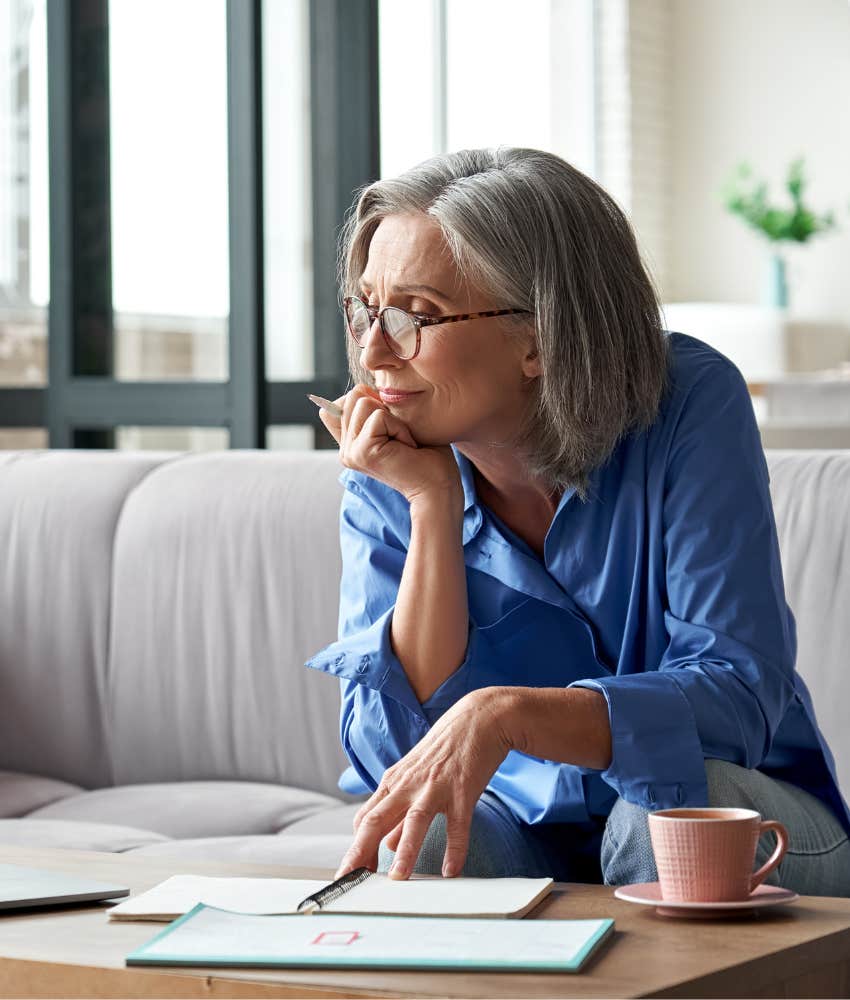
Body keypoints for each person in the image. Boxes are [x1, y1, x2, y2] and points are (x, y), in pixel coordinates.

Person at [306, 147, 850, 894]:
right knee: (422, 835)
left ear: (539, 337)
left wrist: (508, 715)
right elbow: (393, 757)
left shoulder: (689, 401)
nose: (374, 352)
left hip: (736, 809)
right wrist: (432, 508)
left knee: (658, 819)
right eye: (365, 309)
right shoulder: (391, 459)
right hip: (527, 827)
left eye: (415, 316)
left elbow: (737, 697)